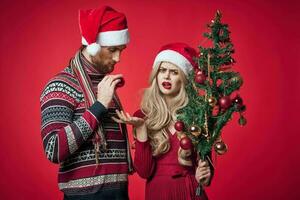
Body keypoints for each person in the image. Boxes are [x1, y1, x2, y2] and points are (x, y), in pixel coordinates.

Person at [40, 6, 133, 200]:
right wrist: (99, 106)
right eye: (113, 50)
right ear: (94, 47)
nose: (118, 58)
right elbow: (53, 149)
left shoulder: (103, 84)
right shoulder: (60, 85)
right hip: (84, 196)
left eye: (121, 50)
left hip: (119, 194)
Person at [113, 43, 214, 200]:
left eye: (174, 72)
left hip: (190, 191)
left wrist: (206, 174)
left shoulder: (197, 114)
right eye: (162, 70)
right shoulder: (143, 115)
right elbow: (144, 172)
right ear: (156, 75)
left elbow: (205, 162)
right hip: (158, 193)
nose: (166, 76)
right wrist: (141, 129)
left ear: (184, 78)